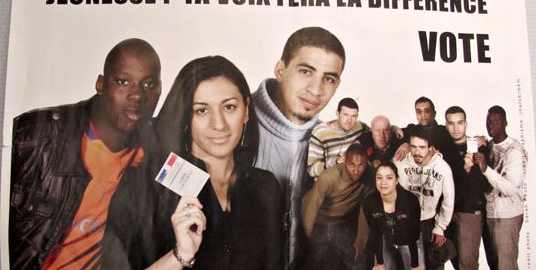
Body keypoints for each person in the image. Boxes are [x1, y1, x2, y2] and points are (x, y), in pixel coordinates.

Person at [102, 56, 283, 269]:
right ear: (185, 119)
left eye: (229, 107)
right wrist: (180, 255)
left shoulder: (265, 186)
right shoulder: (144, 186)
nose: (219, 124)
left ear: (246, 110)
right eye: (202, 110)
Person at [9, 38, 162, 269]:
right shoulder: (35, 136)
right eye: (123, 81)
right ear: (101, 85)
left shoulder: (155, 152)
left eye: (149, 84)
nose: (137, 95)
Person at [252, 26, 345, 268]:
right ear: (280, 70)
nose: (316, 90)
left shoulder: (334, 141)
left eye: (328, 78)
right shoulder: (229, 124)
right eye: (306, 71)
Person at [471, 105, 527, 270]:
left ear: (505, 123)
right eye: (488, 121)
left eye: (496, 121)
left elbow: (510, 188)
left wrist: (485, 169)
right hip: (491, 215)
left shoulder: (515, 150)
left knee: (506, 266)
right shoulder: (489, 145)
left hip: (508, 216)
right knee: (495, 265)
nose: (491, 125)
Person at [301, 143, 374, 270]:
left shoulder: (370, 177)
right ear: (344, 162)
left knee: (359, 260)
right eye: (351, 165)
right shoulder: (329, 177)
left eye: (361, 165)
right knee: (311, 262)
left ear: (366, 163)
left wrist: (360, 241)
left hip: (340, 223)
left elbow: (365, 211)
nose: (356, 170)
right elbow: (310, 208)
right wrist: (305, 240)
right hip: (318, 222)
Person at [394, 128, 454, 270]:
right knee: (409, 265)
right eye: (413, 147)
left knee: (434, 263)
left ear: (431, 148)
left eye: (422, 147)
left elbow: (449, 200)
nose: (417, 152)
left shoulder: (442, 167)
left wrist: (440, 227)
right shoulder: (400, 162)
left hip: (428, 222)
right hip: (405, 221)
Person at [443, 106, 490, 270]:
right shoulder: (443, 145)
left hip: (468, 211)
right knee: (453, 259)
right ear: (446, 124)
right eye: (451, 123)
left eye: (460, 123)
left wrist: (469, 170)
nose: (456, 128)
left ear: (466, 124)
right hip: (447, 212)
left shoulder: (478, 146)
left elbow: (485, 183)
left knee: (467, 263)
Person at [363, 161, 424, 270]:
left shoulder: (410, 201)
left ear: (396, 180)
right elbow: (375, 232)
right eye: (379, 178)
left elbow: (413, 234)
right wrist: (380, 262)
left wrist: (415, 264)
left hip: (409, 241)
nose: (383, 182)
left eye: (389, 178)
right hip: (385, 238)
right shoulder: (369, 202)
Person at [307, 98, 369, 178]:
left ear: (357, 116)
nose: (349, 120)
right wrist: (335, 161)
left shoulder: (359, 126)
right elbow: (311, 170)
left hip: (353, 180)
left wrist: (358, 142)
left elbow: (376, 132)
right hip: (329, 182)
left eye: (353, 116)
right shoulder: (321, 133)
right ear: (337, 114)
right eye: (345, 115)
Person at [395, 97, 457, 168]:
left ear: (434, 113)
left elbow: (452, 160)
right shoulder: (411, 129)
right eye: (419, 112)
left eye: (427, 111)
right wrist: (394, 128)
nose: (423, 115)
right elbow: (390, 132)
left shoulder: (444, 131)